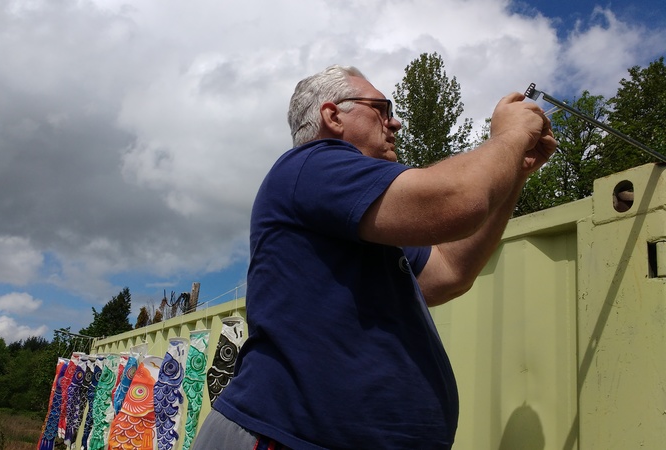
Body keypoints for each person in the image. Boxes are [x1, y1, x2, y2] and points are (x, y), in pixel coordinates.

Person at [192, 65, 556, 449]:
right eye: (381, 108)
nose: (395, 122)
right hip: (283, 438)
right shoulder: (314, 164)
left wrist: (514, 172)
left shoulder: (353, 211)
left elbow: (449, 272)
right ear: (332, 116)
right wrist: (510, 136)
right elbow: (459, 200)